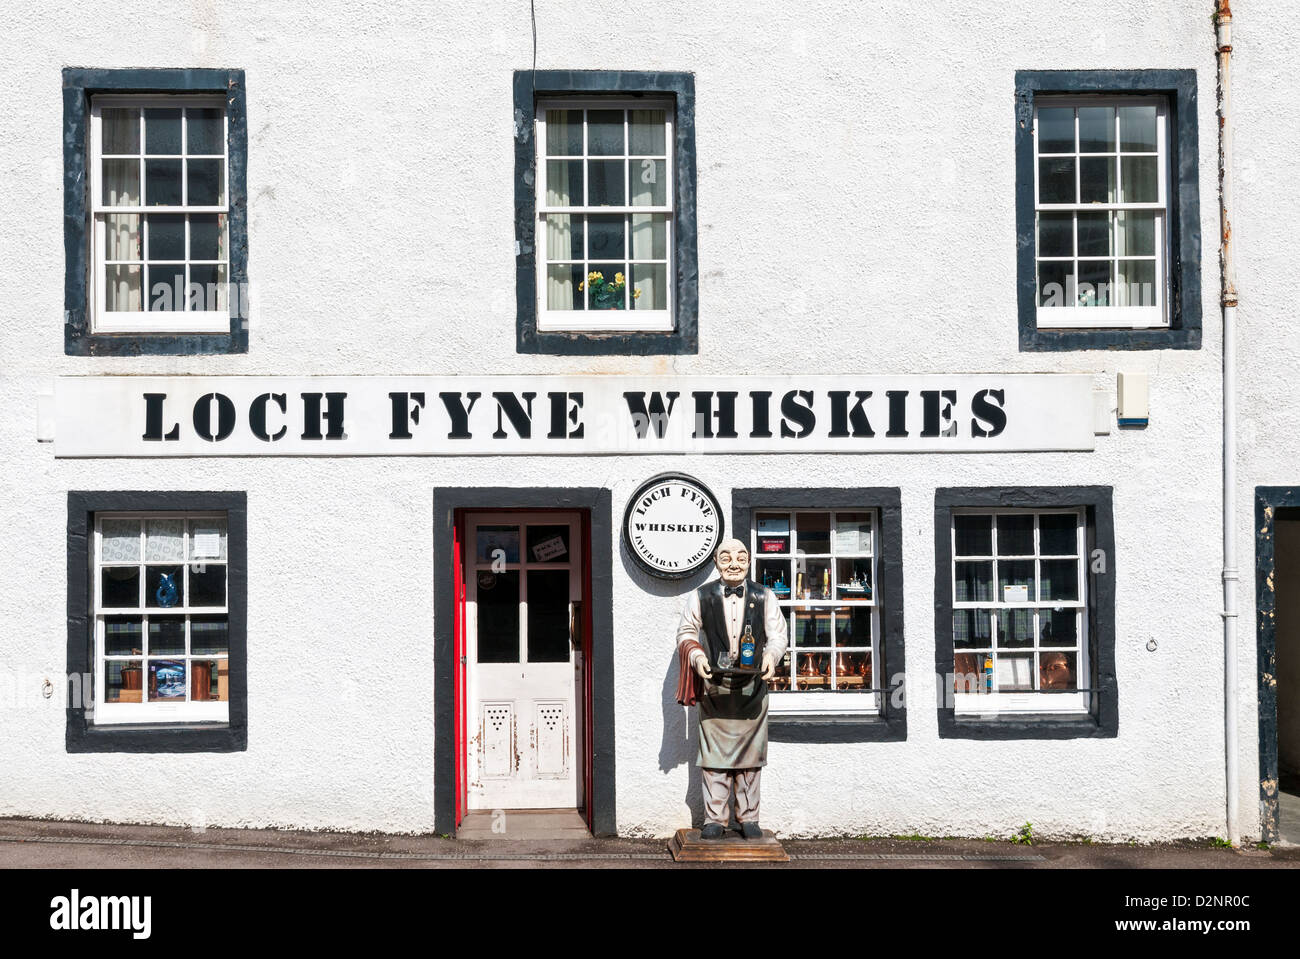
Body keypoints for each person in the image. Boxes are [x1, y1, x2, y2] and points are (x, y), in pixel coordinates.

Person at [675, 538, 788, 839]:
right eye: (726, 558)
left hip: (752, 689)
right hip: (715, 687)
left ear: (749, 561)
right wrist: (697, 656)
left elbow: (778, 635)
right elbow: (686, 632)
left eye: (740, 557)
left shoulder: (766, 597)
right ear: (715, 562)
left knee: (751, 757)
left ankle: (749, 817)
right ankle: (715, 818)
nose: (734, 564)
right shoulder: (700, 596)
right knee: (714, 757)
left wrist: (771, 656)